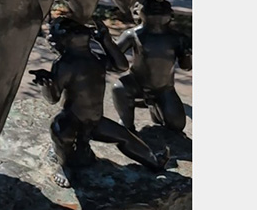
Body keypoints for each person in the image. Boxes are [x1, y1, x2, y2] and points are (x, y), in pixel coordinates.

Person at [30, 16, 169, 187]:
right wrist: (48, 84)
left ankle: (153, 162)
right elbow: (53, 98)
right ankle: (65, 166)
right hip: (73, 119)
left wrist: (106, 40)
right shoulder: (65, 65)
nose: (80, 32)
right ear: (62, 41)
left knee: (126, 137)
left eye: (79, 29)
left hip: (95, 120)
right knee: (59, 130)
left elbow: (121, 66)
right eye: (72, 31)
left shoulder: (95, 58)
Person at [110, 0, 191, 133]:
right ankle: (126, 122)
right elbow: (114, 56)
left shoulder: (177, 38)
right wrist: (106, 41)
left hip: (164, 88)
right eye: (150, 6)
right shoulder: (132, 35)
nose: (157, 8)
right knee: (119, 88)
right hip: (136, 83)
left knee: (176, 125)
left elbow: (186, 66)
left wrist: (187, 55)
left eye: (162, 6)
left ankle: (156, 107)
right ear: (137, 12)